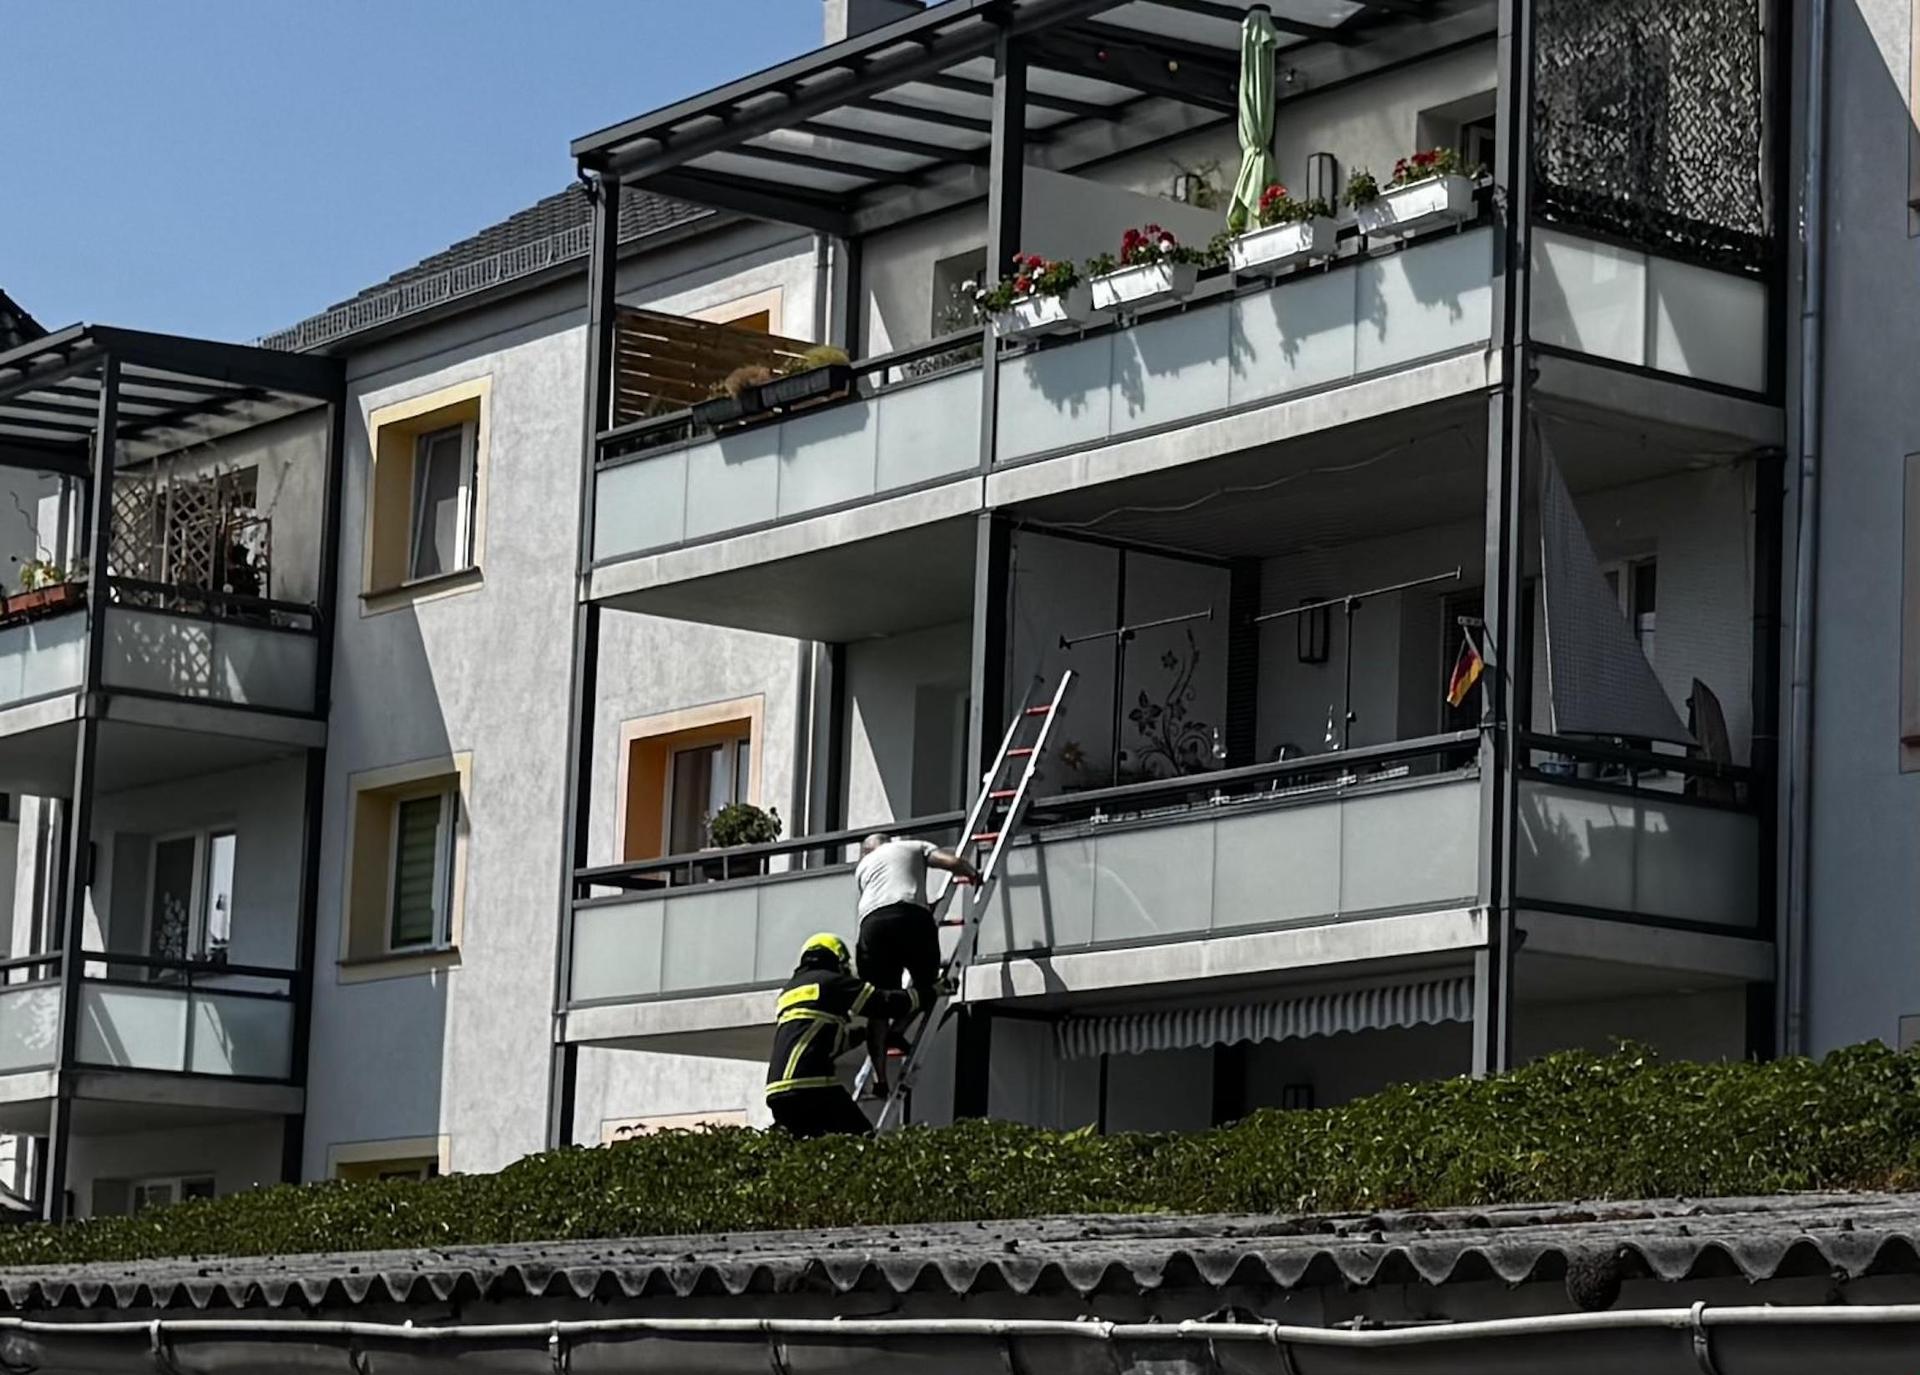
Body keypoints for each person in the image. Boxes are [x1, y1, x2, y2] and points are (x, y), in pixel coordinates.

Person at [855, 833, 978, 1096]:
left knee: (877, 1007)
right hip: (911, 918)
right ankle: (898, 1029)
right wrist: (973, 875)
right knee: (930, 987)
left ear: (867, 851)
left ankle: (879, 1079)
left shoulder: (863, 867)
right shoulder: (911, 846)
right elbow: (952, 862)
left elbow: (886, 900)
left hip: (872, 926)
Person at [765, 932, 919, 1139]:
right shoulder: (831, 982)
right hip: (812, 1084)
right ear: (836, 959)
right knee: (861, 1140)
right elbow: (883, 1003)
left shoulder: (789, 991)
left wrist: (862, 1036)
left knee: (811, 1147)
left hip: (777, 1091)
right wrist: (925, 994)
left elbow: (816, 1040)